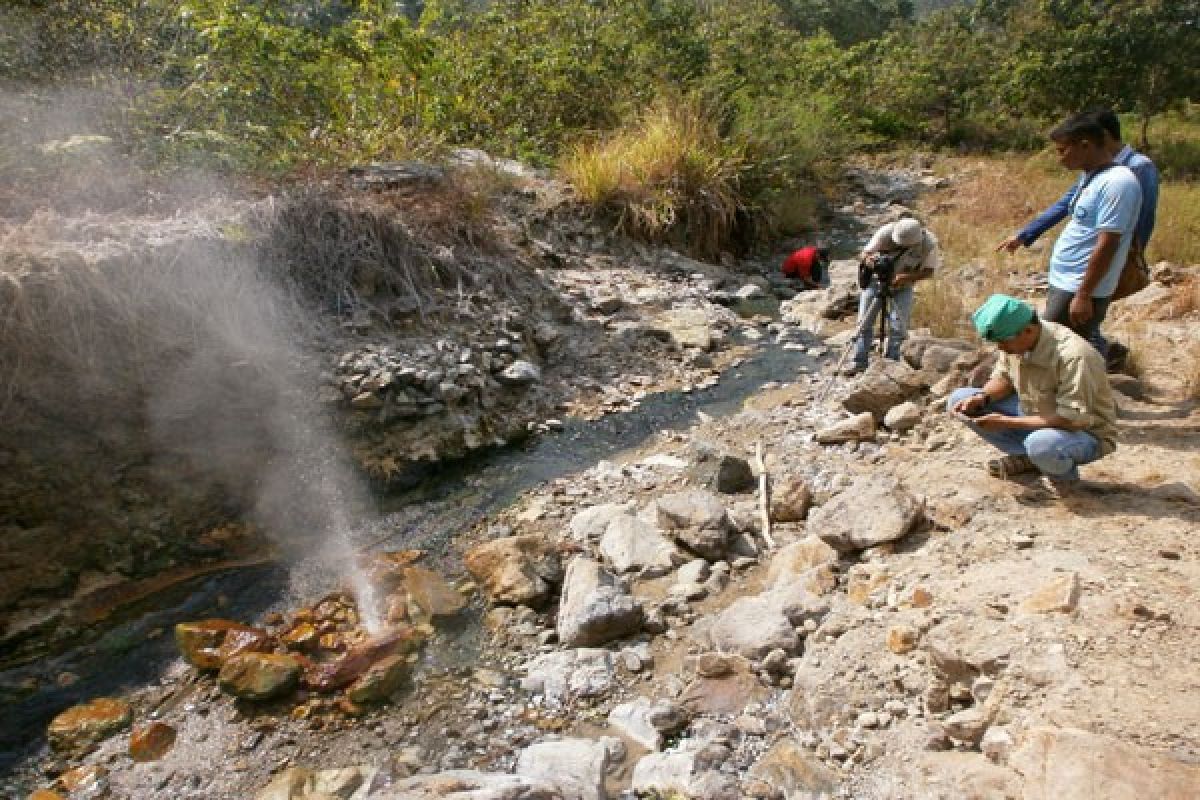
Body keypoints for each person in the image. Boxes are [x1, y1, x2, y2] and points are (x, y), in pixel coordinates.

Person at [997, 109, 1156, 367]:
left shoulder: (1121, 181)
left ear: (1085, 145)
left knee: (1060, 343)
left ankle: (1090, 395)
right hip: (1068, 278)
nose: (1059, 159)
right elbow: (1065, 206)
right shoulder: (1092, 176)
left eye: (1062, 151)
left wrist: (1084, 293)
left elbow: (1109, 242)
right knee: (1071, 339)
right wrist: (1025, 235)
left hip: (1080, 282)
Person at [948, 294, 1116, 490]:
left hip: (1082, 432)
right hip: (1034, 414)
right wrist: (982, 398)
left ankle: (1063, 478)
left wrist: (1005, 422)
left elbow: (1071, 419)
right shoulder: (1016, 340)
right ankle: (1031, 459)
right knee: (959, 399)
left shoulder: (1074, 355)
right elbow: (1003, 379)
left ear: (1028, 330)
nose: (1001, 348)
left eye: (1003, 342)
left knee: (1042, 444)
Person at [844, 217, 940, 375]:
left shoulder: (928, 244)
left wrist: (906, 277)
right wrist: (872, 262)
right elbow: (864, 254)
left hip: (903, 286)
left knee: (898, 326)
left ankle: (891, 363)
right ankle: (859, 361)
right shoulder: (885, 232)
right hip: (875, 283)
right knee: (864, 323)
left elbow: (928, 272)